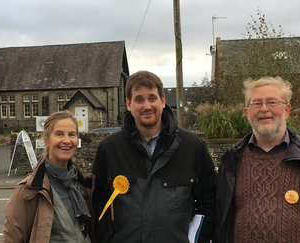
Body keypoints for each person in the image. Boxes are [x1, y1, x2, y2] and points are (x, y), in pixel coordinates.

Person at [216, 77, 300, 243]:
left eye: (272, 102)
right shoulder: (231, 161)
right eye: (256, 103)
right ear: (246, 113)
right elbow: (218, 223)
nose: (264, 109)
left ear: (286, 110)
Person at [92, 70, 217, 243]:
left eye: (152, 98)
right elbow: (98, 201)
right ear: (128, 104)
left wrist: (197, 240)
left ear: (163, 101)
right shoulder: (109, 148)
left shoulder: (191, 146)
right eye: (139, 99)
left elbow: (209, 200)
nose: (147, 106)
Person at [2, 111, 96, 243]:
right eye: (59, 134)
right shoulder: (28, 190)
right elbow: (12, 238)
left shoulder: (84, 185)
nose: (67, 140)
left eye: (72, 134)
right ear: (46, 140)